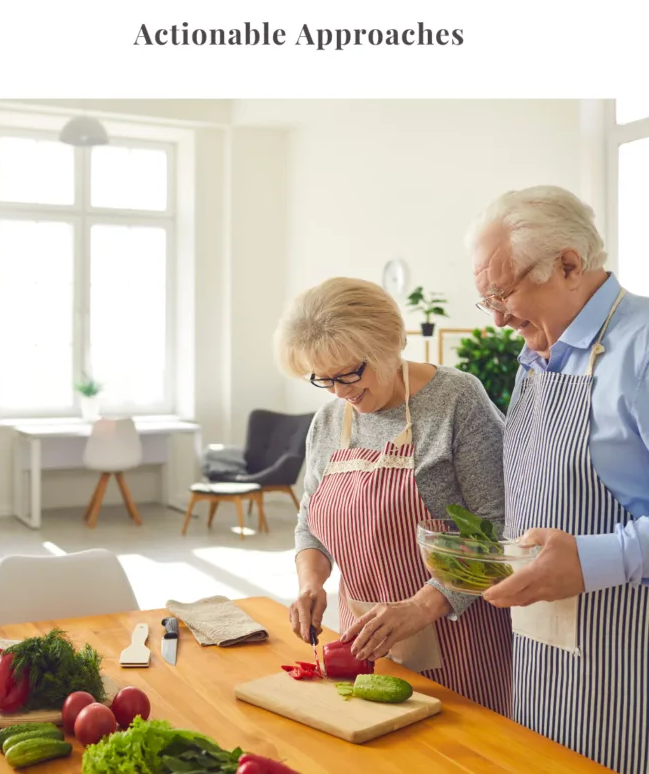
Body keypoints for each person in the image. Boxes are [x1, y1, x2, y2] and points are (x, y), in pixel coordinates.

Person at [466, 185, 649, 774]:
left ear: (569, 265)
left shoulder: (642, 349)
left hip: (629, 660)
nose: (496, 317)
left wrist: (598, 558)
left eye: (503, 292)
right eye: (485, 299)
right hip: (544, 656)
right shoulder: (539, 354)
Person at [274, 276, 512, 716]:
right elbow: (311, 523)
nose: (341, 392)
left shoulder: (457, 400)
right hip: (364, 646)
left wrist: (420, 607)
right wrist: (311, 583)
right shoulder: (328, 421)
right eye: (323, 380)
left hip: (460, 645)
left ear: (389, 343)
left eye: (349, 373)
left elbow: (497, 531)